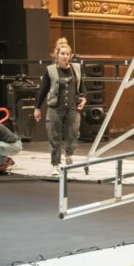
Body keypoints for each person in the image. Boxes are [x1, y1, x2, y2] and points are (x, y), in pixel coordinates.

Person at [33, 37, 86, 176]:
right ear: (57, 55)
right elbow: (43, 90)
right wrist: (37, 108)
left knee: (72, 133)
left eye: (67, 54)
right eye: (62, 53)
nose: (65, 56)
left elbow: (82, 87)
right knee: (54, 136)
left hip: (72, 108)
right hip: (55, 109)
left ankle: (69, 153)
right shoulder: (50, 70)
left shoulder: (76, 69)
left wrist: (84, 98)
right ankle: (55, 164)